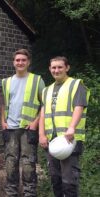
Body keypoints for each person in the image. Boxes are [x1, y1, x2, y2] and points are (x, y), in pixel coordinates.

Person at [39, 56, 89, 197]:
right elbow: (43, 113)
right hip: (52, 141)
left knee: (69, 181)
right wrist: (41, 134)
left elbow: (79, 107)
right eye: (53, 67)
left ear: (67, 68)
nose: (56, 70)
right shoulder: (46, 90)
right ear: (50, 69)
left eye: (60, 67)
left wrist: (72, 127)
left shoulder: (76, 85)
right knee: (56, 180)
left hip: (69, 140)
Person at [1, 49, 45, 197]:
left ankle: (29, 193)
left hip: (28, 128)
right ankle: (11, 192)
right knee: (10, 163)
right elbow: (3, 103)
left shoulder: (37, 80)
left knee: (28, 164)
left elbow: (44, 105)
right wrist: (2, 121)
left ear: (28, 62)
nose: (20, 62)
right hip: (10, 128)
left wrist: (35, 122)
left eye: (23, 60)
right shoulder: (6, 82)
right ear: (13, 62)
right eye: (17, 60)